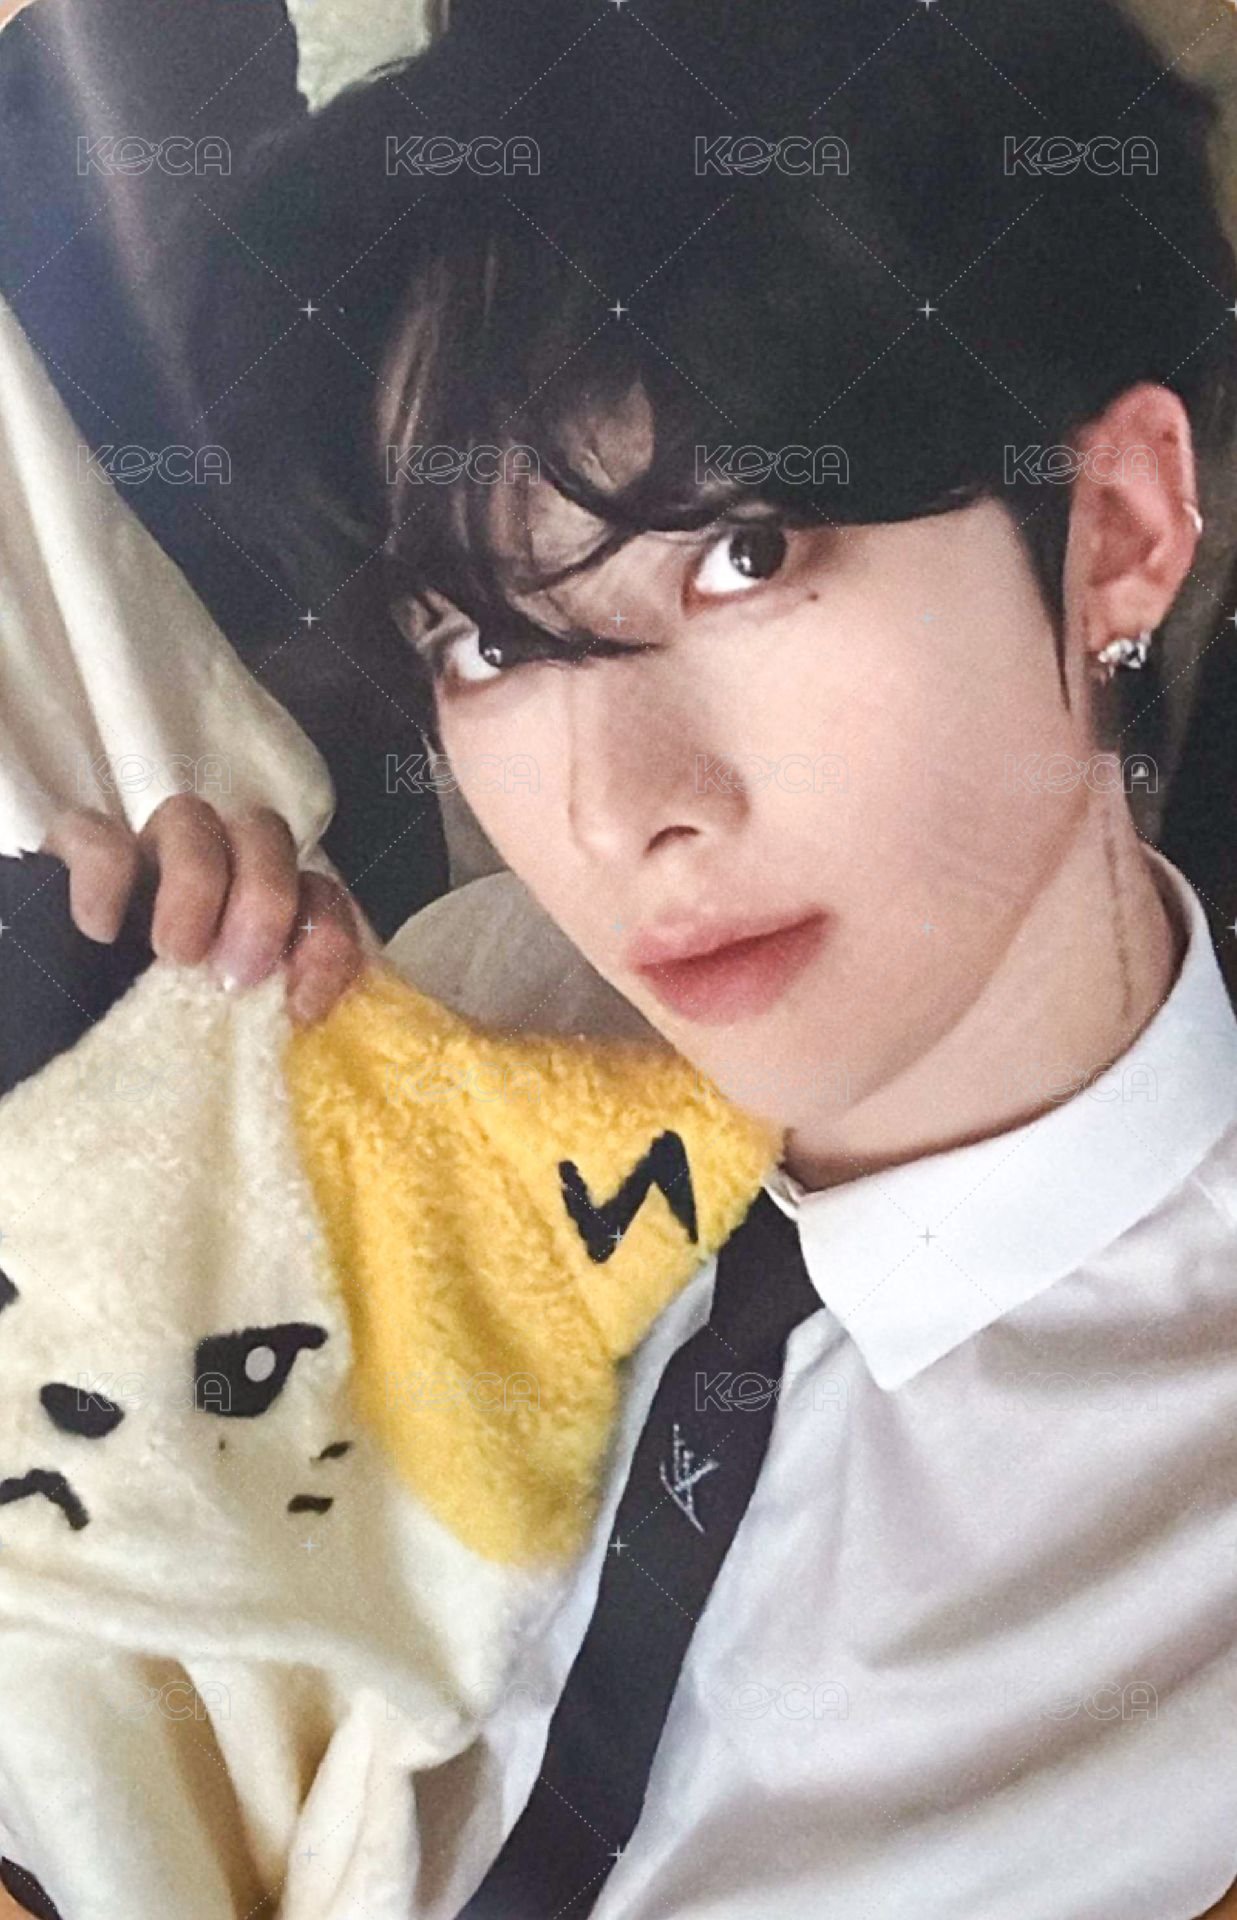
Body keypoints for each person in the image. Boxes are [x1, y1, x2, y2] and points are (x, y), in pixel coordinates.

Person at [34, 0, 1237, 1913]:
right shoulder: (472, 990)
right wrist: (121, 1134)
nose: (618, 816)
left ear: (1116, 532)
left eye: (742, 555)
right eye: (490, 639)